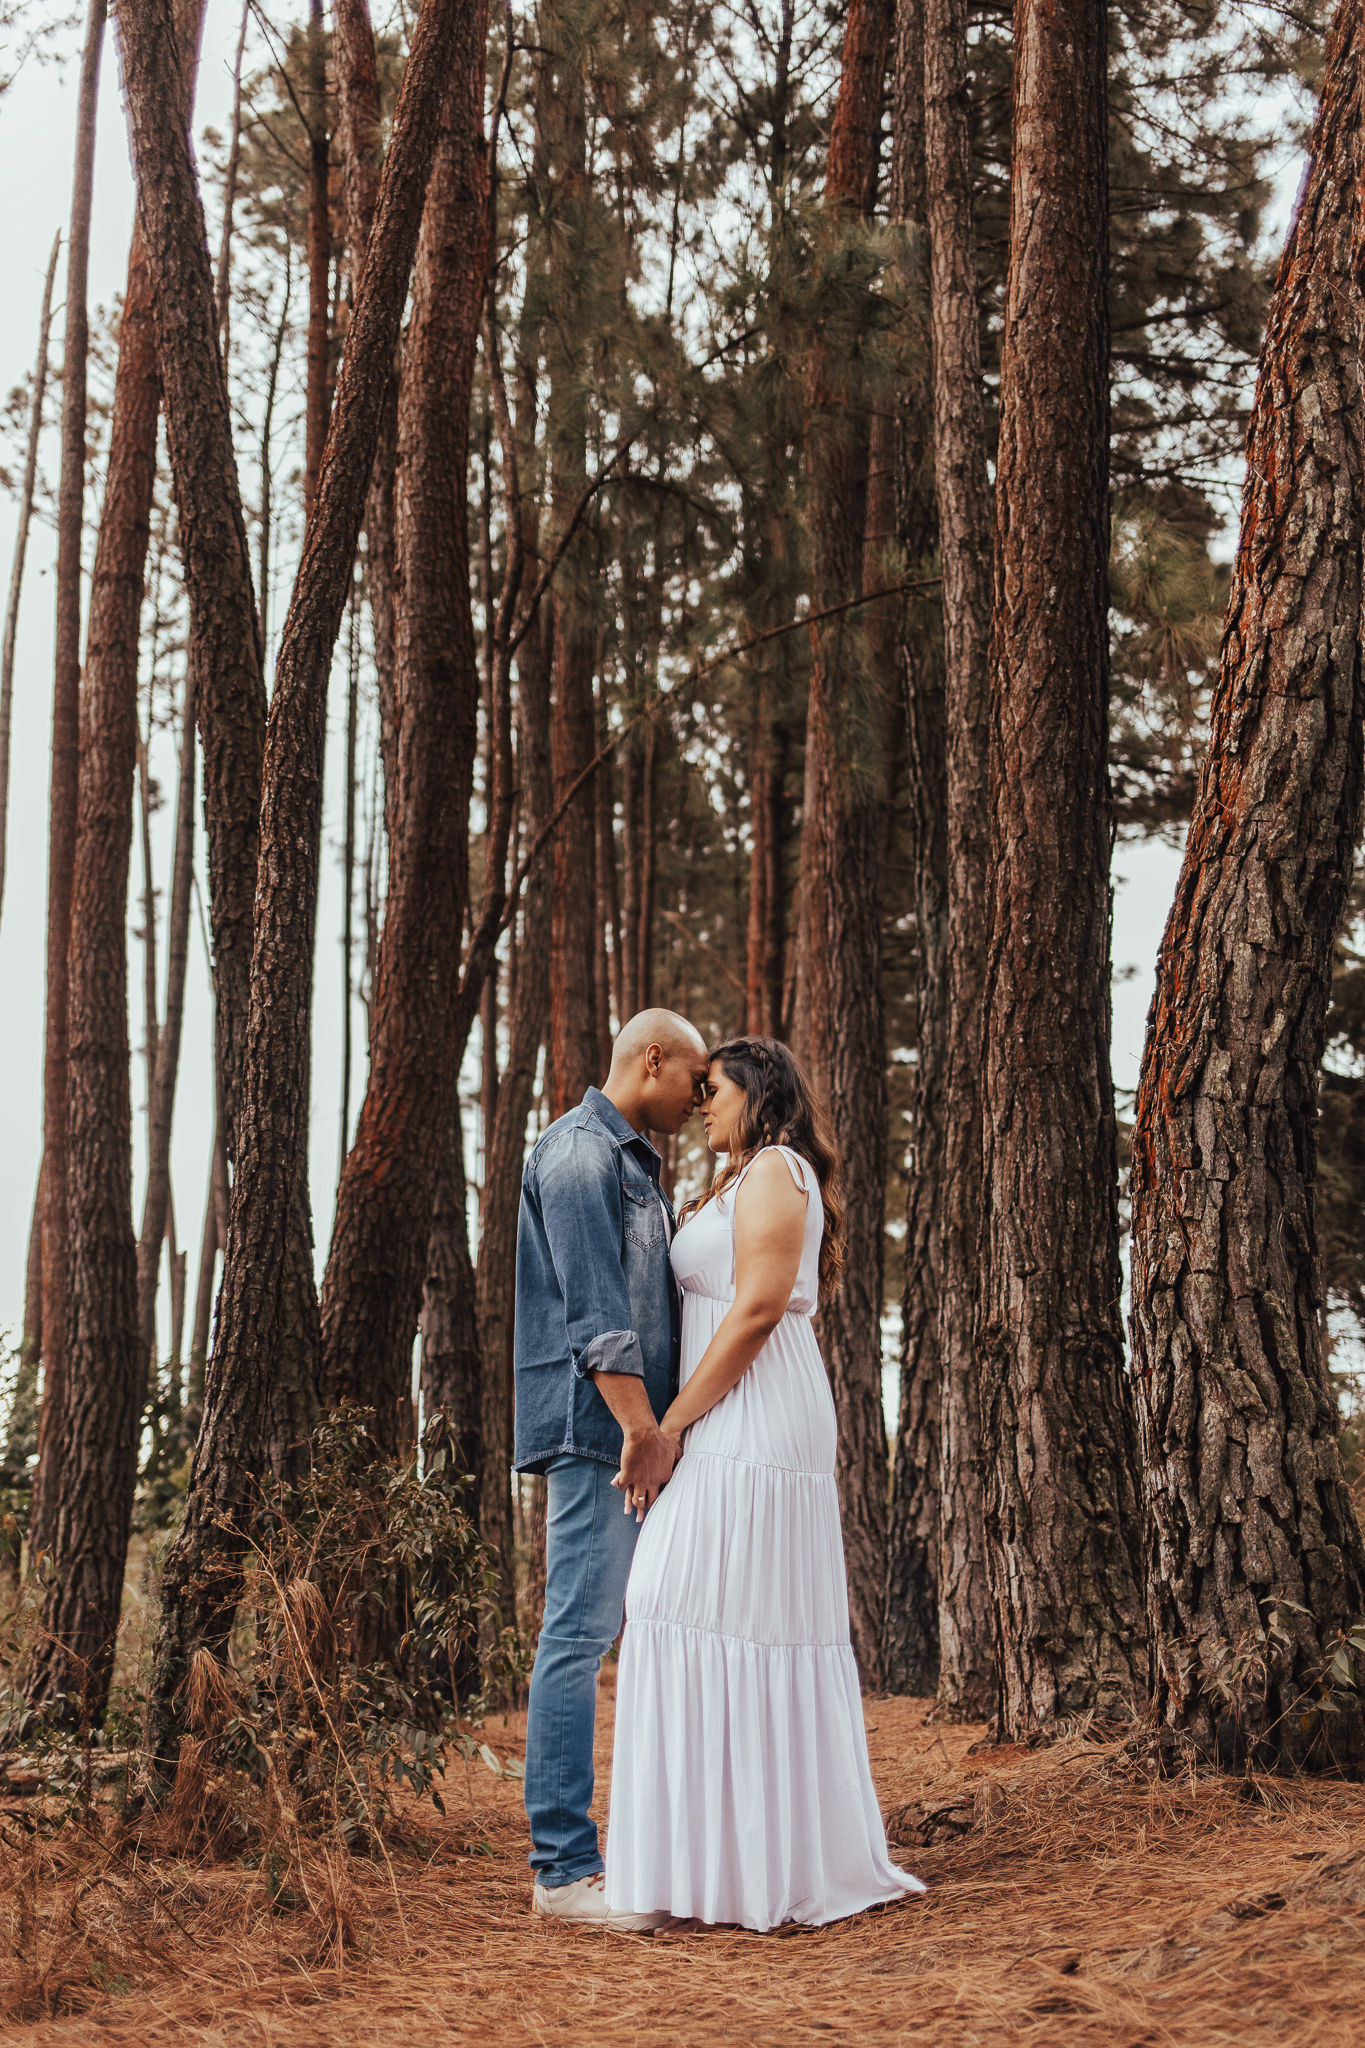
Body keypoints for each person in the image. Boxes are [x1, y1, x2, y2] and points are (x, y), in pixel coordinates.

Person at [604, 1035, 925, 1931]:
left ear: (760, 1092)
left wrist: (668, 1428)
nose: (702, 1103)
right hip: (722, 1404)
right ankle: (704, 1872)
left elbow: (755, 1309)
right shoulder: (737, 1180)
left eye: (715, 1089)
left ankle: (762, 1869)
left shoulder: (780, 1170)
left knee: (710, 1607)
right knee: (683, 1608)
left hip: (755, 1407)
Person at [515, 1008, 710, 1930]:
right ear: (652, 1059)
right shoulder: (579, 1153)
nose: (701, 1098)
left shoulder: (629, 1162)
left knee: (623, 1632)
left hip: (635, 1432)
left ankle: (636, 1851)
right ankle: (561, 1872)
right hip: (604, 1433)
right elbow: (595, 1313)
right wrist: (640, 1429)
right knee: (577, 1634)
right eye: (695, 1080)